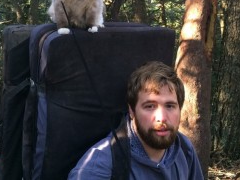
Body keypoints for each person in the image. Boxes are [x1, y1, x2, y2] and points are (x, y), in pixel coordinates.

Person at [68, 61, 204, 179]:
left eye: (170, 106)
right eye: (150, 106)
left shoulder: (184, 150)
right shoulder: (98, 169)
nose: (161, 118)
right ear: (132, 111)